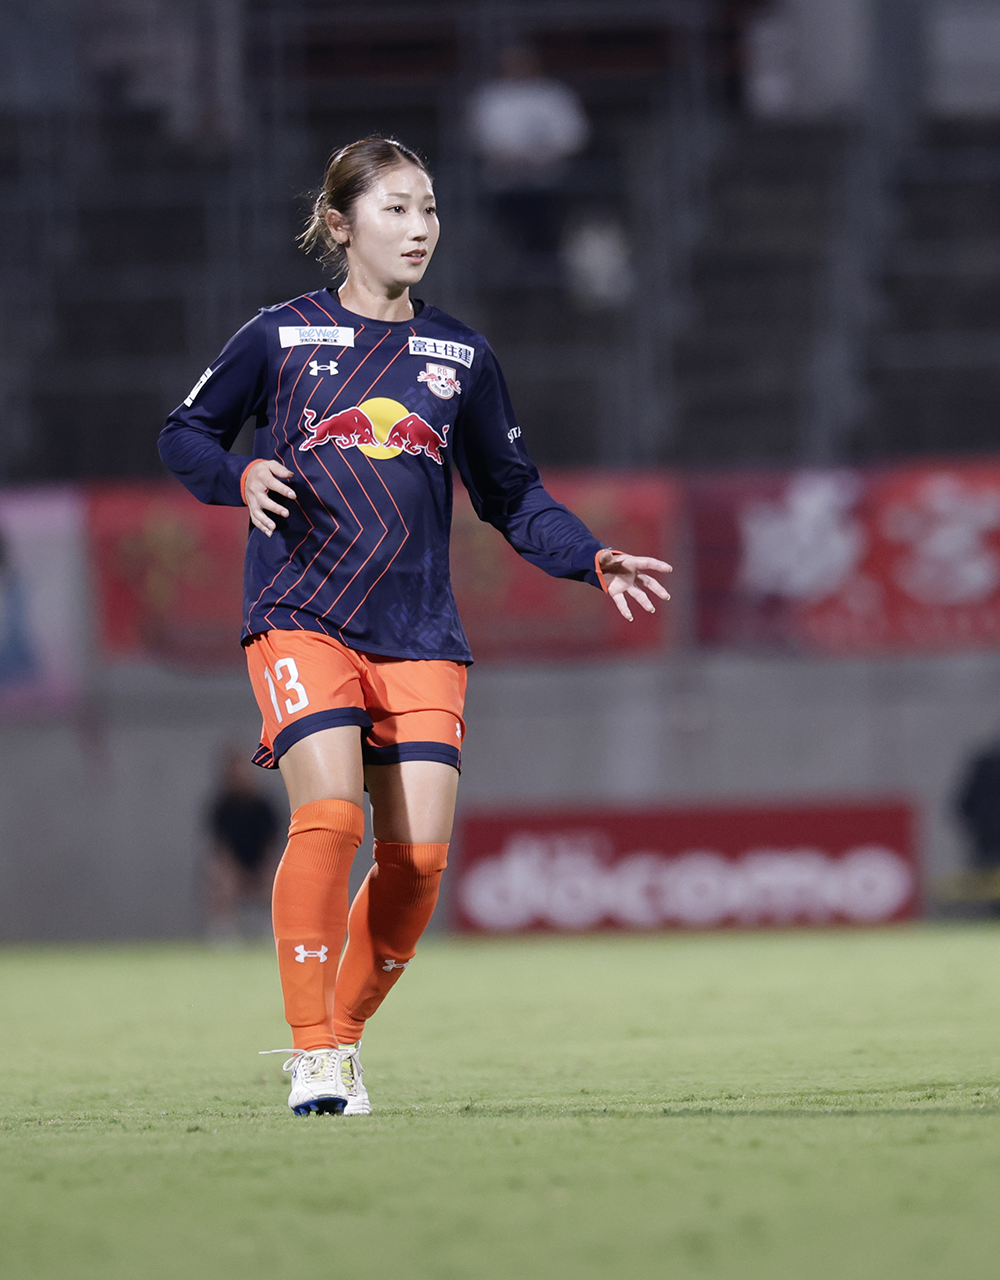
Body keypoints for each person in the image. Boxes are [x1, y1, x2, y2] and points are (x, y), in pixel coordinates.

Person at [158, 135, 671, 1118]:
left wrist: (589, 555)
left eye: (429, 207)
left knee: (420, 860)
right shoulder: (278, 337)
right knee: (329, 815)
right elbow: (183, 432)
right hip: (300, 613)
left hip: (420, 632)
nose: (419, 226)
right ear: (340, 223)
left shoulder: (461, 355)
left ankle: (344, 1039)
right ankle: (312, 1052)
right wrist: (238, 473)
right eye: (395, 208)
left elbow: (513, 494)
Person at [205, 749, 281, 944]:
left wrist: (265, 869)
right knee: (221, 877)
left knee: (275, 877)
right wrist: (233, 871)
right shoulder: (222, 806)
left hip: (260, 863)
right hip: (233, 865)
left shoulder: (263, 805)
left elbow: (271, 844)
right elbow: (221, 847)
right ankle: (224, 933)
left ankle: (272, 929)